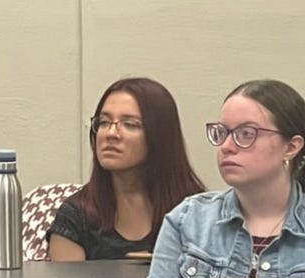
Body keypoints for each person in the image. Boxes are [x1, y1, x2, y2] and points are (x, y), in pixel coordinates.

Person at [139, 79, 305, 278]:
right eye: (222, 133)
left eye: (246, 134)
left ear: (291, 147)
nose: (226, 147)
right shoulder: (187, 220)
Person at [47, 78, 205, 261]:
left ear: (160, 135)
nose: (111, 134)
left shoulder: (196, 211)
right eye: (104, 122)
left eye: (130, 124)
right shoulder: (76, 215)